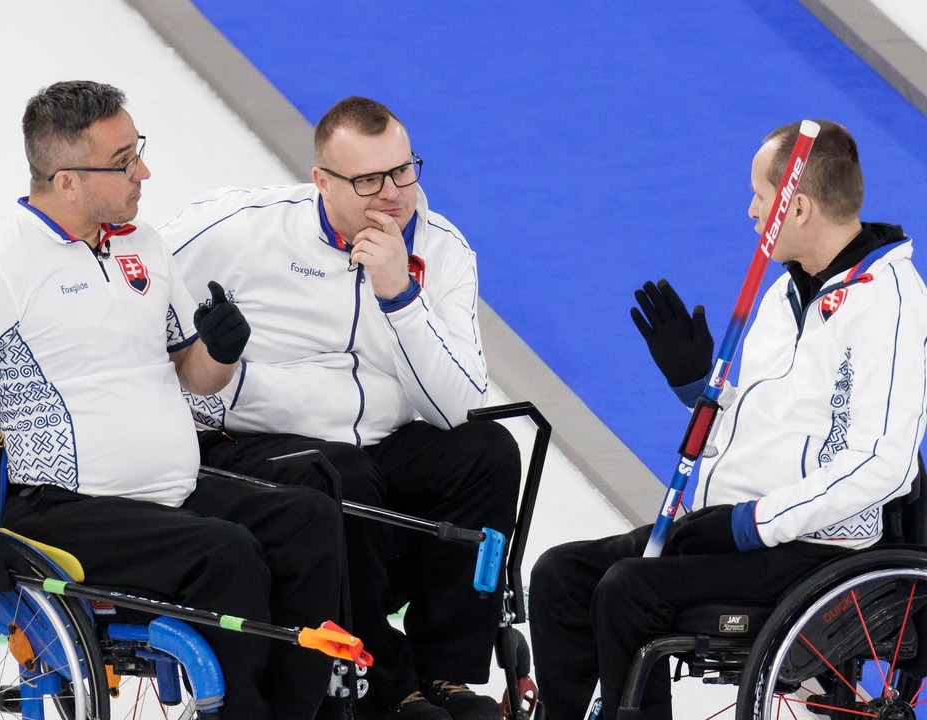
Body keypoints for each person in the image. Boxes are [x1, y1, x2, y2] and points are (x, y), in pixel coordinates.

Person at [0, 80, 345, 720]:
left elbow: (194, 377)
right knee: (226, 554)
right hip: (66, 508)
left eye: (137, 149)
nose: (145, 171)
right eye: (122, 162)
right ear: (66, 181)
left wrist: (221, 350)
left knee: (308, 518)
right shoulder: (0, 268)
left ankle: (307, 710)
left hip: (170, 493)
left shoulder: (142, 245)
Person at [528, 119, 927, 720]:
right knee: (560, 575)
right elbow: (764, 430)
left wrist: (753, 524)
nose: (749, 212)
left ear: (796, 208)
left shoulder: (888, 305)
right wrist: (698, 392)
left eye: (759, 199)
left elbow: (882, 465)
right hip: (740, 523)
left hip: (814, 544)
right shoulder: (785, 294)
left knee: (628, 592)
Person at [158, 96, 521, 720]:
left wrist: (400, 296)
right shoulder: (240, 225)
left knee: (487, 452)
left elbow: (459, 407)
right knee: (338, 476)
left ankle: (446, 675)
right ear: (321, 181)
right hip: (259, 441)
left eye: (404, 171)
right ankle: (387, 686)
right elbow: (142, 284)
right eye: (368, 180)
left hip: (383, 442)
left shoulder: (446, 250)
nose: (393, 194)